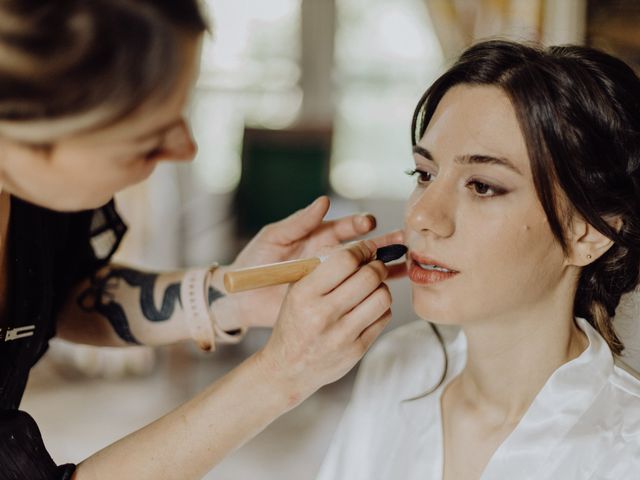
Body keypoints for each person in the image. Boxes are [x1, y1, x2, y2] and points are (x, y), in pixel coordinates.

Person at [0, 2, 403, 479]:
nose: (186, 148)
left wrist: (231, 296)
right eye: (149, 136)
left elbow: (58, 293)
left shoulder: (35, 199)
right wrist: (282, 373)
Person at [316, 39, 640, 480]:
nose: (422, 215)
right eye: (425, 175)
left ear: (584, 234)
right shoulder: (397, 366)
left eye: (482, 186)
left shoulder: (626, 451)